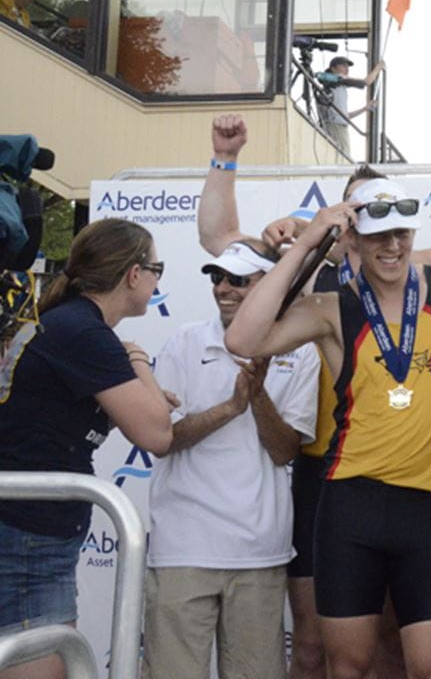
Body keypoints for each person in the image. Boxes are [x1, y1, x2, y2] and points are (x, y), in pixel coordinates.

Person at [226, 177, 431, 679]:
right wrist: (309, 241)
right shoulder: (332, 309)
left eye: (401, 232)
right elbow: (243, 338)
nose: (392, 246)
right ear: (353, 241)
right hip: (351, 507)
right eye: (378, 235)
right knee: (349, 668)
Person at [0, 219, 174, 679]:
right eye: (157, 269)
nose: (158, 281)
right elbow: (157, 433)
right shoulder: (84, 333)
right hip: (27, 536)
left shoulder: (70, 324)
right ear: (134, 274)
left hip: (31, 530)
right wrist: (138, 363)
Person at [143, 240, 319, 679]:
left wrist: (257, 395)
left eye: (239, 279)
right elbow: (162, 439)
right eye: (217, 277)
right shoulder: (185, 341)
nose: (224, 288)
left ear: (269, 286)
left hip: (259, 551)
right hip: (183, 547)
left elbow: (284, 451)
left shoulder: (301, 352)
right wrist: (230, 408)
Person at [317, 55, 382, 158]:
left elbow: (344, 116)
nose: (347, 70)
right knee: (343, 160)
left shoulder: (339, 87)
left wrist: (365, 108)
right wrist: (378, 67)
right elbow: (366, 82)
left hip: (338, 126)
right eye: (343, 66)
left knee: (340, 159)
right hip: (335, 127)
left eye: (348, 67)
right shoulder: (334, 83)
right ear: (333, 69)